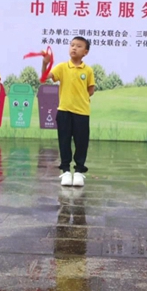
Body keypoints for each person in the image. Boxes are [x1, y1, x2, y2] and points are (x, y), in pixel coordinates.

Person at [42, 37, 95, 187]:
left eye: (79, 46)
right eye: (72, 45)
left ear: (85, 52)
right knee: (64, 141)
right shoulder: (62, 67)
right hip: (64, 111)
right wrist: (45, 63)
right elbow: (45, 77)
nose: (74, 48)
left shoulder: (88, 70)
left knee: (81, 143)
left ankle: (78, 171)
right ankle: (65, 171)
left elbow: (91, 90)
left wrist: (80, 99)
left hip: (82, 112)